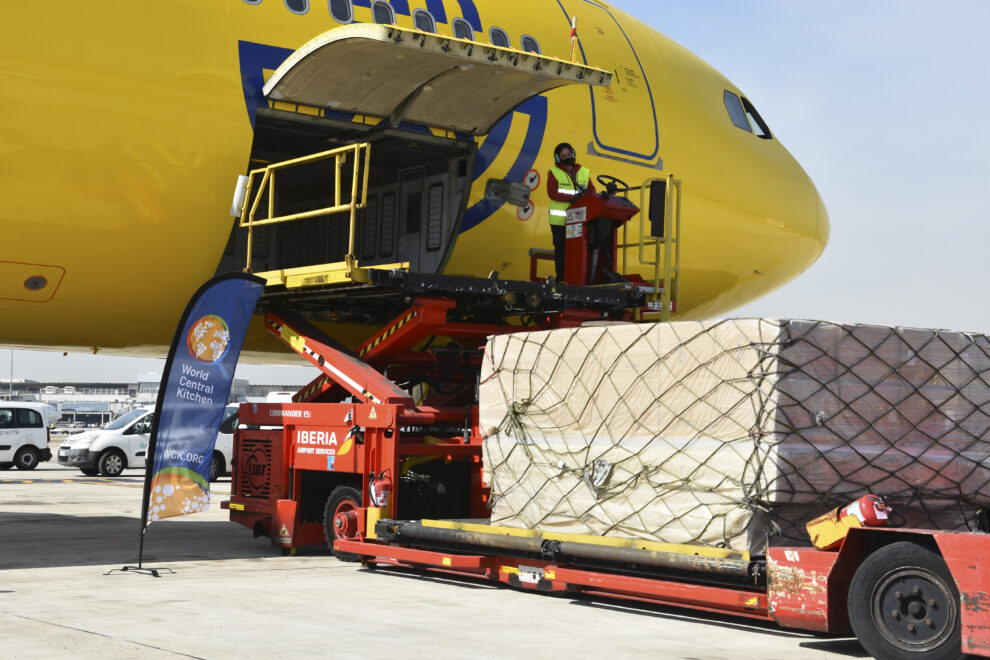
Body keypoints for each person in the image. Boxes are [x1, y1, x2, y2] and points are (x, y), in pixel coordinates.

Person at [546, 142, 595, 282]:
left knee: (576, 252)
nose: (567, 157)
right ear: (558, 158)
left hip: (578, 221)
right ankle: (561, 279)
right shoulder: (554, 173)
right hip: (560, 222)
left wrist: (585, 195)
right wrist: (573, 197)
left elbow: (592, 191)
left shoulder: (584, 172)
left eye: (568, 154)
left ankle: (577, 278)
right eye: (563, 156)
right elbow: (552, 193)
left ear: (573, 154)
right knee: (561, 252)